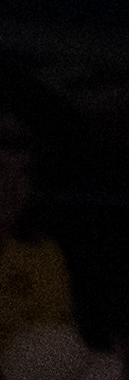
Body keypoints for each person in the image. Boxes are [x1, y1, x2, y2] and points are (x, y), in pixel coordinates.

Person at [0, 114, 74, 348]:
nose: (10, 188)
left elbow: (53, 345)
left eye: (22, 174)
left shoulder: (43, 256)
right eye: (0, 172)